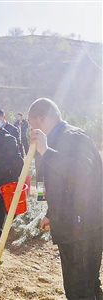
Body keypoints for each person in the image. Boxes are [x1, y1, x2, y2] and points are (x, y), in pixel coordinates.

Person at [28, 98, 103, 300]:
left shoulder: (74, 137)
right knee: (81, 286)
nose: (31, 131)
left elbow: (82, 175)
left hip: (84, 228)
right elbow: (49, 181)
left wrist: (46, 151)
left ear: (41, 119)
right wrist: (49, 212)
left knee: (81, 288)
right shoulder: (50, 142)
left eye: (31, 125)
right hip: (69, 227)